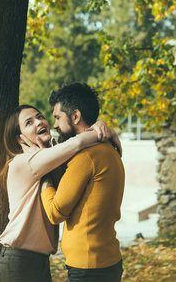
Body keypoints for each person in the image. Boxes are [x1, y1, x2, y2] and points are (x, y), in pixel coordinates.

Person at [0, 104, 121, 282]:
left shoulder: (50, 158)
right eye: (29, 122)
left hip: (39, 260)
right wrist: (106, 130)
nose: (39, 122)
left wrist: (102, 124)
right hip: (18, 259)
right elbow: (77, 143)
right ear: (19, 138)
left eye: (39, 117)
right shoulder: (23, 162)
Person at [41, 83, 125, 282]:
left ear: (76, 116)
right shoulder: (109, 148)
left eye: (58, 118)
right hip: (108, 260)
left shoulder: (86, 157)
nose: (55, 125)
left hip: (89, 266)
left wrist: (44, 179)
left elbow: (55, 213)